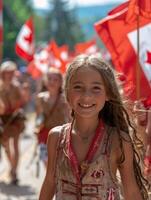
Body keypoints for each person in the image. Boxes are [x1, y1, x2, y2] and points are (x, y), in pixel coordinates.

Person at [39, 54, 148, 200]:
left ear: (108, 93)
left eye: (96, 88)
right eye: (78, 87)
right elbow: (49, 182)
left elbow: (131, 192)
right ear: (67, 92)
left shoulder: (118, 140)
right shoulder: (56, 137)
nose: (86, 96)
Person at [35, 67, 71, 167]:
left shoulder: (64, 99)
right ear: (45, 81)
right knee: (46, 161)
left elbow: (69, 117)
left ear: (60, 82)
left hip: (60, 134)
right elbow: (38, 116)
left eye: (55, 80)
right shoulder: (40, 98)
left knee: (58, 162)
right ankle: (50, 181)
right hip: (44, 134)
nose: (52, 82)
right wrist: (37, 127)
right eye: (49, 79)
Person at [0, 60, 25, 184]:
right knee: (6, 146)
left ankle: (14, 171)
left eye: (11, 73)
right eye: (6, 73)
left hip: (14, 117)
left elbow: (20, 102)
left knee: (15, 145)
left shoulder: (16, 86)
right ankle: (11, 166)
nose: (9, 75)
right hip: (3, 119)